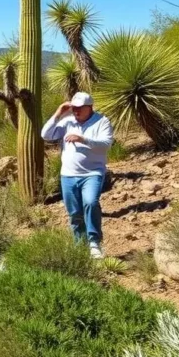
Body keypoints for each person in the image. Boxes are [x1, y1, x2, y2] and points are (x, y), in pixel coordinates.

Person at [41, 91, 114, 259]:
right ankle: (79, 245)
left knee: (90, 202)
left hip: (92, 172)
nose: (76, 111)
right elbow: (45, 134)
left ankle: (94, 242)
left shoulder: (102, 121)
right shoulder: (68, 122)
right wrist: (59, 112)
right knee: (74, 212)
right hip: (68, 174)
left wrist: (83, 139)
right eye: (74, 108)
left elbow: (105, 145)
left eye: (80, 108)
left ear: (90, 107)